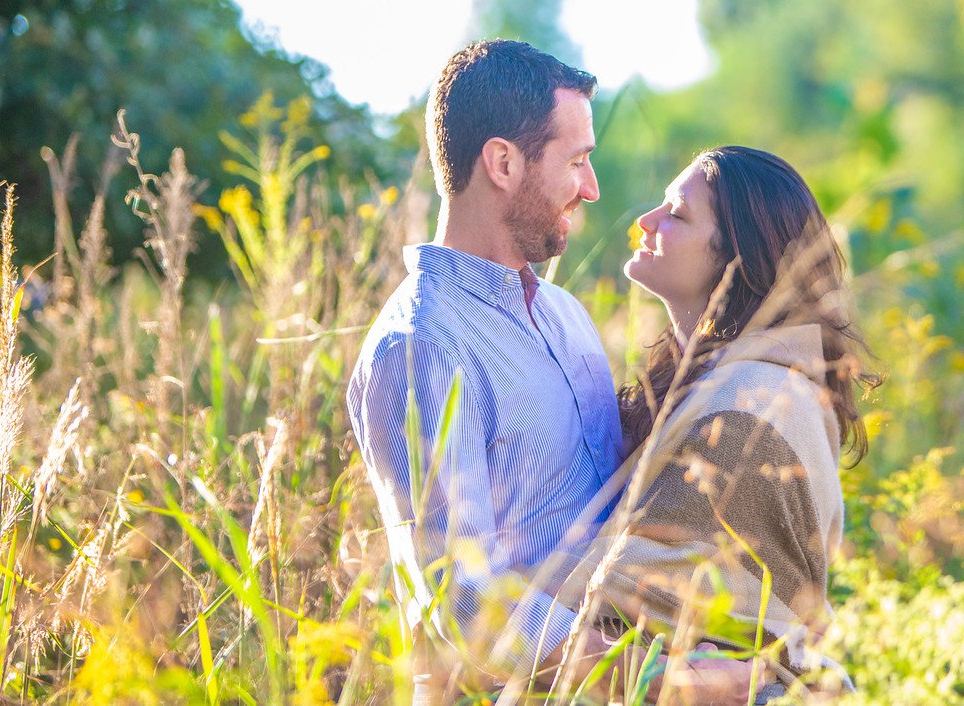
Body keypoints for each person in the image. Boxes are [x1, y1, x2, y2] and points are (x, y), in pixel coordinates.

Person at [347, 39, 761, 703]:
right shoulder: (421, 345)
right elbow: (463, 606)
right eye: (576, 162)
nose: (592, 189)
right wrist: (657, 680)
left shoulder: (565, 315)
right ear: (503, 163)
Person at [542, 146, 878, 698]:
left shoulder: (758, 399)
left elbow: (667, 602)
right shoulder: (707, 382)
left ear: (736, 258)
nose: (645, 222)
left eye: (676, 215)